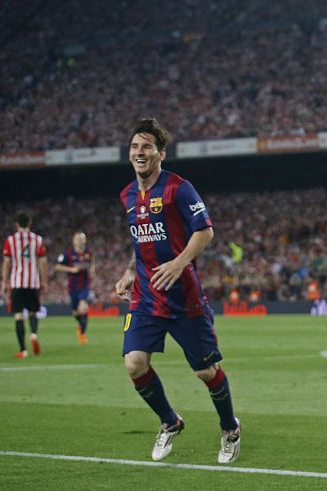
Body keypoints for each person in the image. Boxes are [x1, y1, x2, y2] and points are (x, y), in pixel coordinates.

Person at [114, 118, 241, 463]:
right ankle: (170, 421)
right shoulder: (127, 195)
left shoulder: (179, 188)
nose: (140, 153)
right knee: (134, 364)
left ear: (161, 154)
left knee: (205, 372)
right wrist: (128, 272)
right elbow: (139, 241)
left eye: (147, 147)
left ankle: (230, 428)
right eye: (135, 147)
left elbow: (205, 231)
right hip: (145, 295)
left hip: (184, 297)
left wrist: (179, 262)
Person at [1, 212, 47, 358]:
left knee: (19, 315)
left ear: (16, 224)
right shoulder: (37, 240)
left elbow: (7, 262)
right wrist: (44, 281)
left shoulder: (11, 240)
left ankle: (23, 350)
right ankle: (33, 334)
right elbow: (42, 262)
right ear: (30, 223)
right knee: (33, 312)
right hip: (32, 282)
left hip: (16, 282)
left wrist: (4, 281)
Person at [54, 232, 95, 344]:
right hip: (73, 287)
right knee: (75, 312)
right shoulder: (68, 253)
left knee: (83, 307)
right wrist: (71, 270)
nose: (80, 240)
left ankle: (82, 333)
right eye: (78, 239)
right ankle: (80, 325)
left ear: (85, 241)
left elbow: (92, 263)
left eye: (82, 239)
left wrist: (92, 270)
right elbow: (57, 266)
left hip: (85, 286)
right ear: (74, 241)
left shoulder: (88, 253)